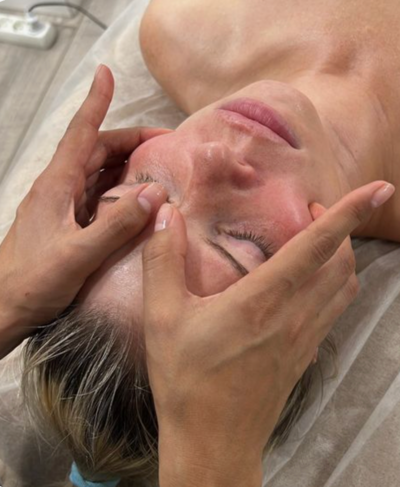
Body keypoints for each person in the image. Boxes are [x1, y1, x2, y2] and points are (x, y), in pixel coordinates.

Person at [1, 0, 398, 484]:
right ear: (306, 320)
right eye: (243, 245)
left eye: (142, 190)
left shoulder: (185, 29)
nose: (211, 156)